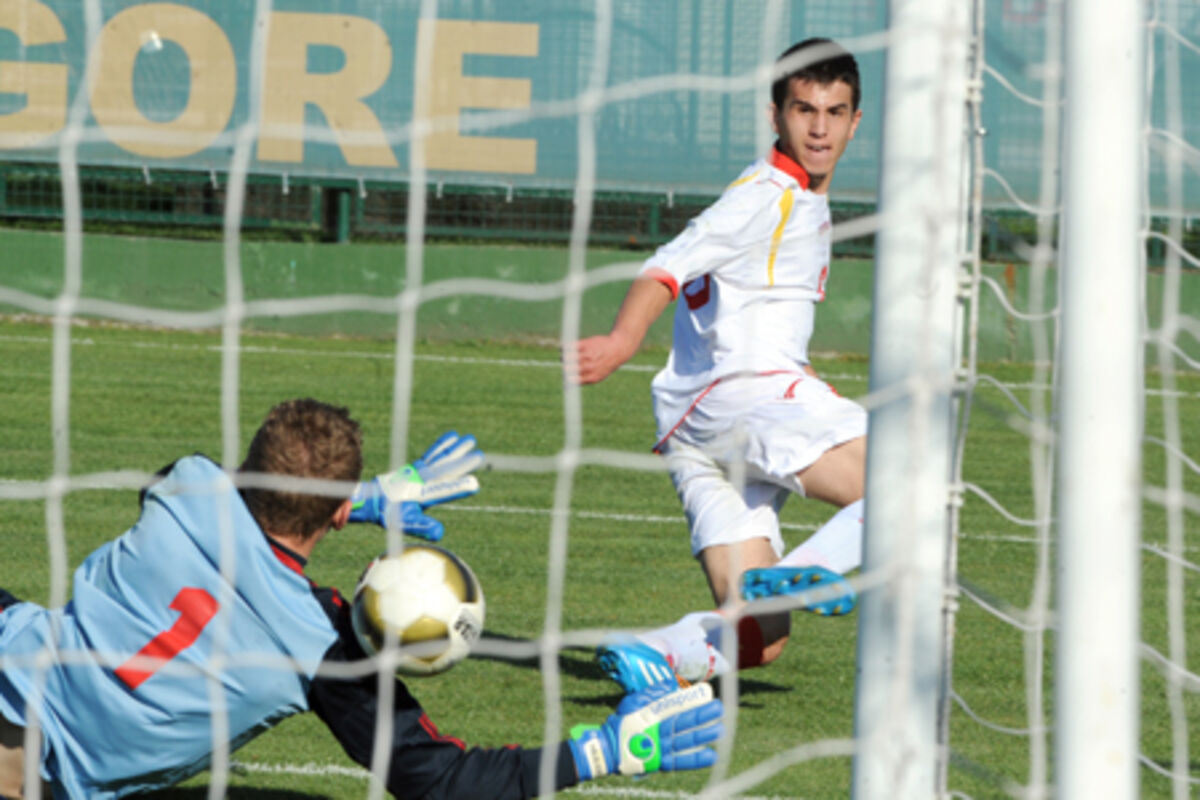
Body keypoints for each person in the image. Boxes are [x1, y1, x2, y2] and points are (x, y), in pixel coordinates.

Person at [0, 399, 723, 799]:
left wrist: (373, 493)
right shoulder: (322, 647)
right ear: (340, 515)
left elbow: (180, 480)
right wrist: (599, 752)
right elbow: (435, 779)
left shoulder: (186, 485)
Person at [568, 38, 868, 692]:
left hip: (695, 433)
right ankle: (803, 573)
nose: (819, 128)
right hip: (745, 397)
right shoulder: (766, 195)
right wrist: (623, 339)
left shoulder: (796, 197)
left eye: (834, 112)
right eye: (804, 110)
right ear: (775, 115)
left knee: (758, 638)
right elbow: (668, 266)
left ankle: (657, 654)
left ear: (854, 121)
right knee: (911, 482)